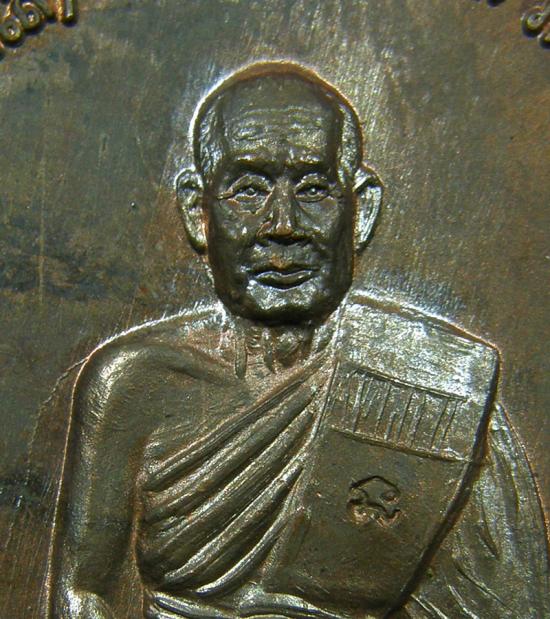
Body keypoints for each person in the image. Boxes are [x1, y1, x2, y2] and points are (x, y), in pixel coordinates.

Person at [50, 62, 548, 619]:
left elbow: (510, 604)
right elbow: (83, 594)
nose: (282, 224)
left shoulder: (439, 384)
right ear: (197, 210)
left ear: (361, 211)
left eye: (313, 189)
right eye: (248, 190)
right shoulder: (134, 381)